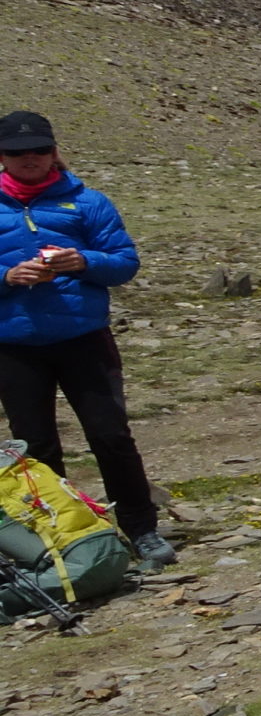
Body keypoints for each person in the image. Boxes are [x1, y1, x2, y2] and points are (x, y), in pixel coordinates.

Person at [0, 111, 176, 569]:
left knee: (110, 435)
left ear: (54, 151)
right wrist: (7, 276)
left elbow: (125, 262)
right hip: (14, 345)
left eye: (40, 149)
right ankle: (62, 537)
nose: (30, 158)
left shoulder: (88, 202)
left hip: (84, 339)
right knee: (35, 446)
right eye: (17, 152)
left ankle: (142, 530)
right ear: (2, 156)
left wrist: (85, 262)